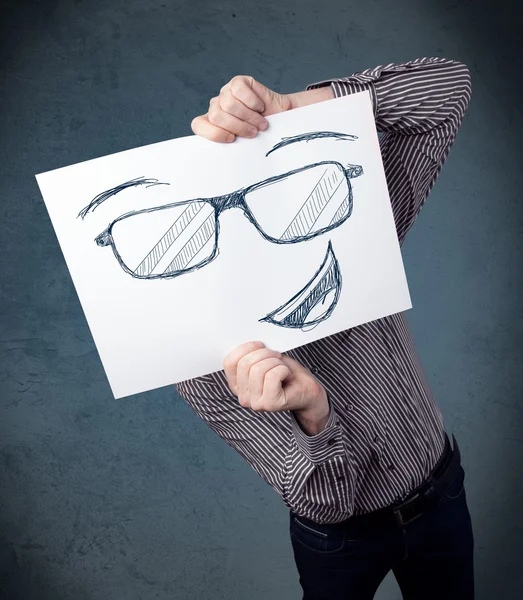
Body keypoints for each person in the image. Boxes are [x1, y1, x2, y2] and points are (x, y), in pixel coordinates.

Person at [175, 57, 473, 600]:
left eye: (266, 202)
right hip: (342, 543)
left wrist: (294, 107)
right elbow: (327, 505)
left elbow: (444, 89)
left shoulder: (358, 233)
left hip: (441, 489)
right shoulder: (199, 365)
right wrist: (314, 412)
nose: (248, 235)